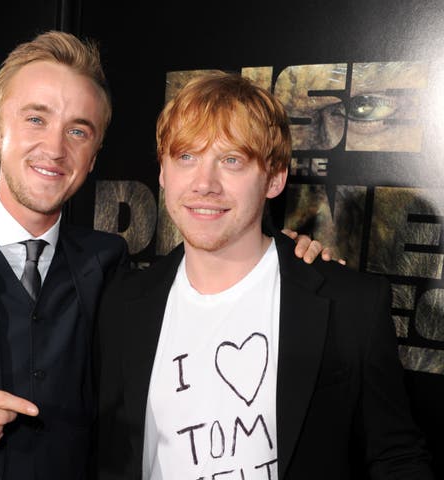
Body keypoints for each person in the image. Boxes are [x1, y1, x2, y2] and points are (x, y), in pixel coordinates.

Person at [0, 32, 328, 480]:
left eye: (78, 130)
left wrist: (291, 259)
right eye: (35, 119)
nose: (55, 148)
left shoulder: (108, 260)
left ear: (94, 154)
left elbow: (212, 281)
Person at [93, 71, 435, 479]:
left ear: (274, 178)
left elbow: (395, 457)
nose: (205, 184)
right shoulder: (120, 302)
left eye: (232, 160)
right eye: (186, 157)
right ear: (163, 174)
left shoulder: (350, 305)